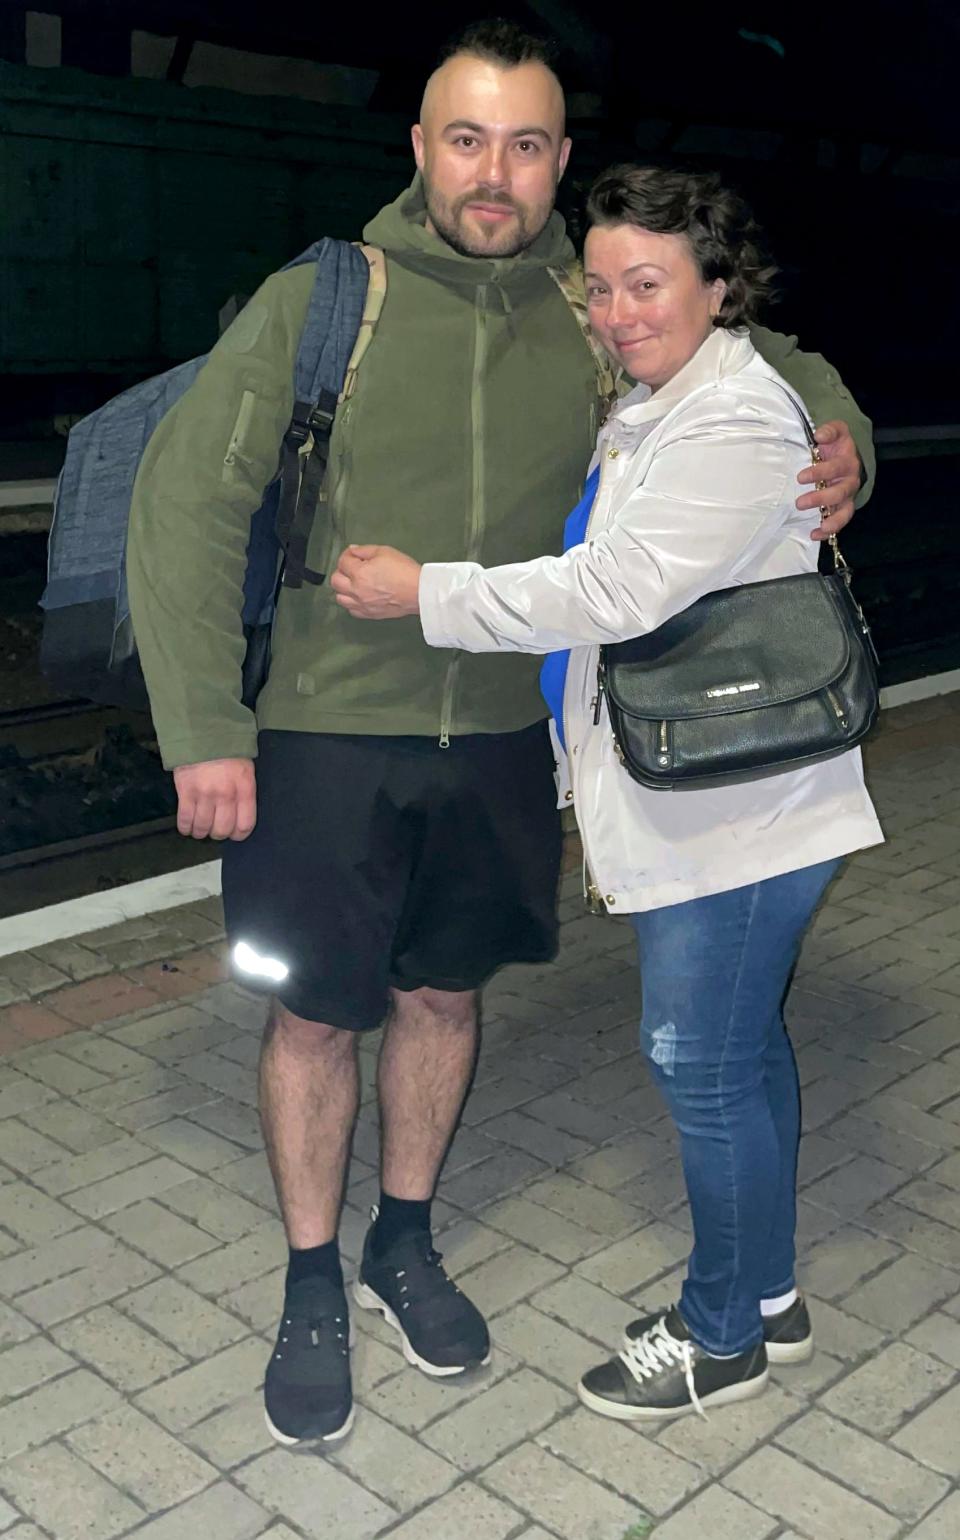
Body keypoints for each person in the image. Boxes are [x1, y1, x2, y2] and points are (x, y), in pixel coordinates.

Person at [127, 22, 875, 1446]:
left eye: (526, 144)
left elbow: (765, 357)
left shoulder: (586, 311)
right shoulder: (327, 298)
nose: (496, 171)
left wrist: (849, 438)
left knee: (446, 998)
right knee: (310, 1014)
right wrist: (205, 730)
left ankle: (401, 1240)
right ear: (419, 148)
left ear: (559, 163)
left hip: (497, 741)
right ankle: (308, 1280)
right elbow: (185, 502)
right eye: (466, 138)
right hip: (325, 730)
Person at [330, 162, 884, 1424]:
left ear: (719, 289)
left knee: (697, 1063)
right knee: (740, 1055)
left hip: (736, 815)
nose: (622, 309)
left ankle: (719, 1334)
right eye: (603, 286)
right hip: (720, 795)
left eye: (650, 284)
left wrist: (425, 591)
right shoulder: (671, 397)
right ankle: (771, 1294)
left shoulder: (732, 419)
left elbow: (612, 591)